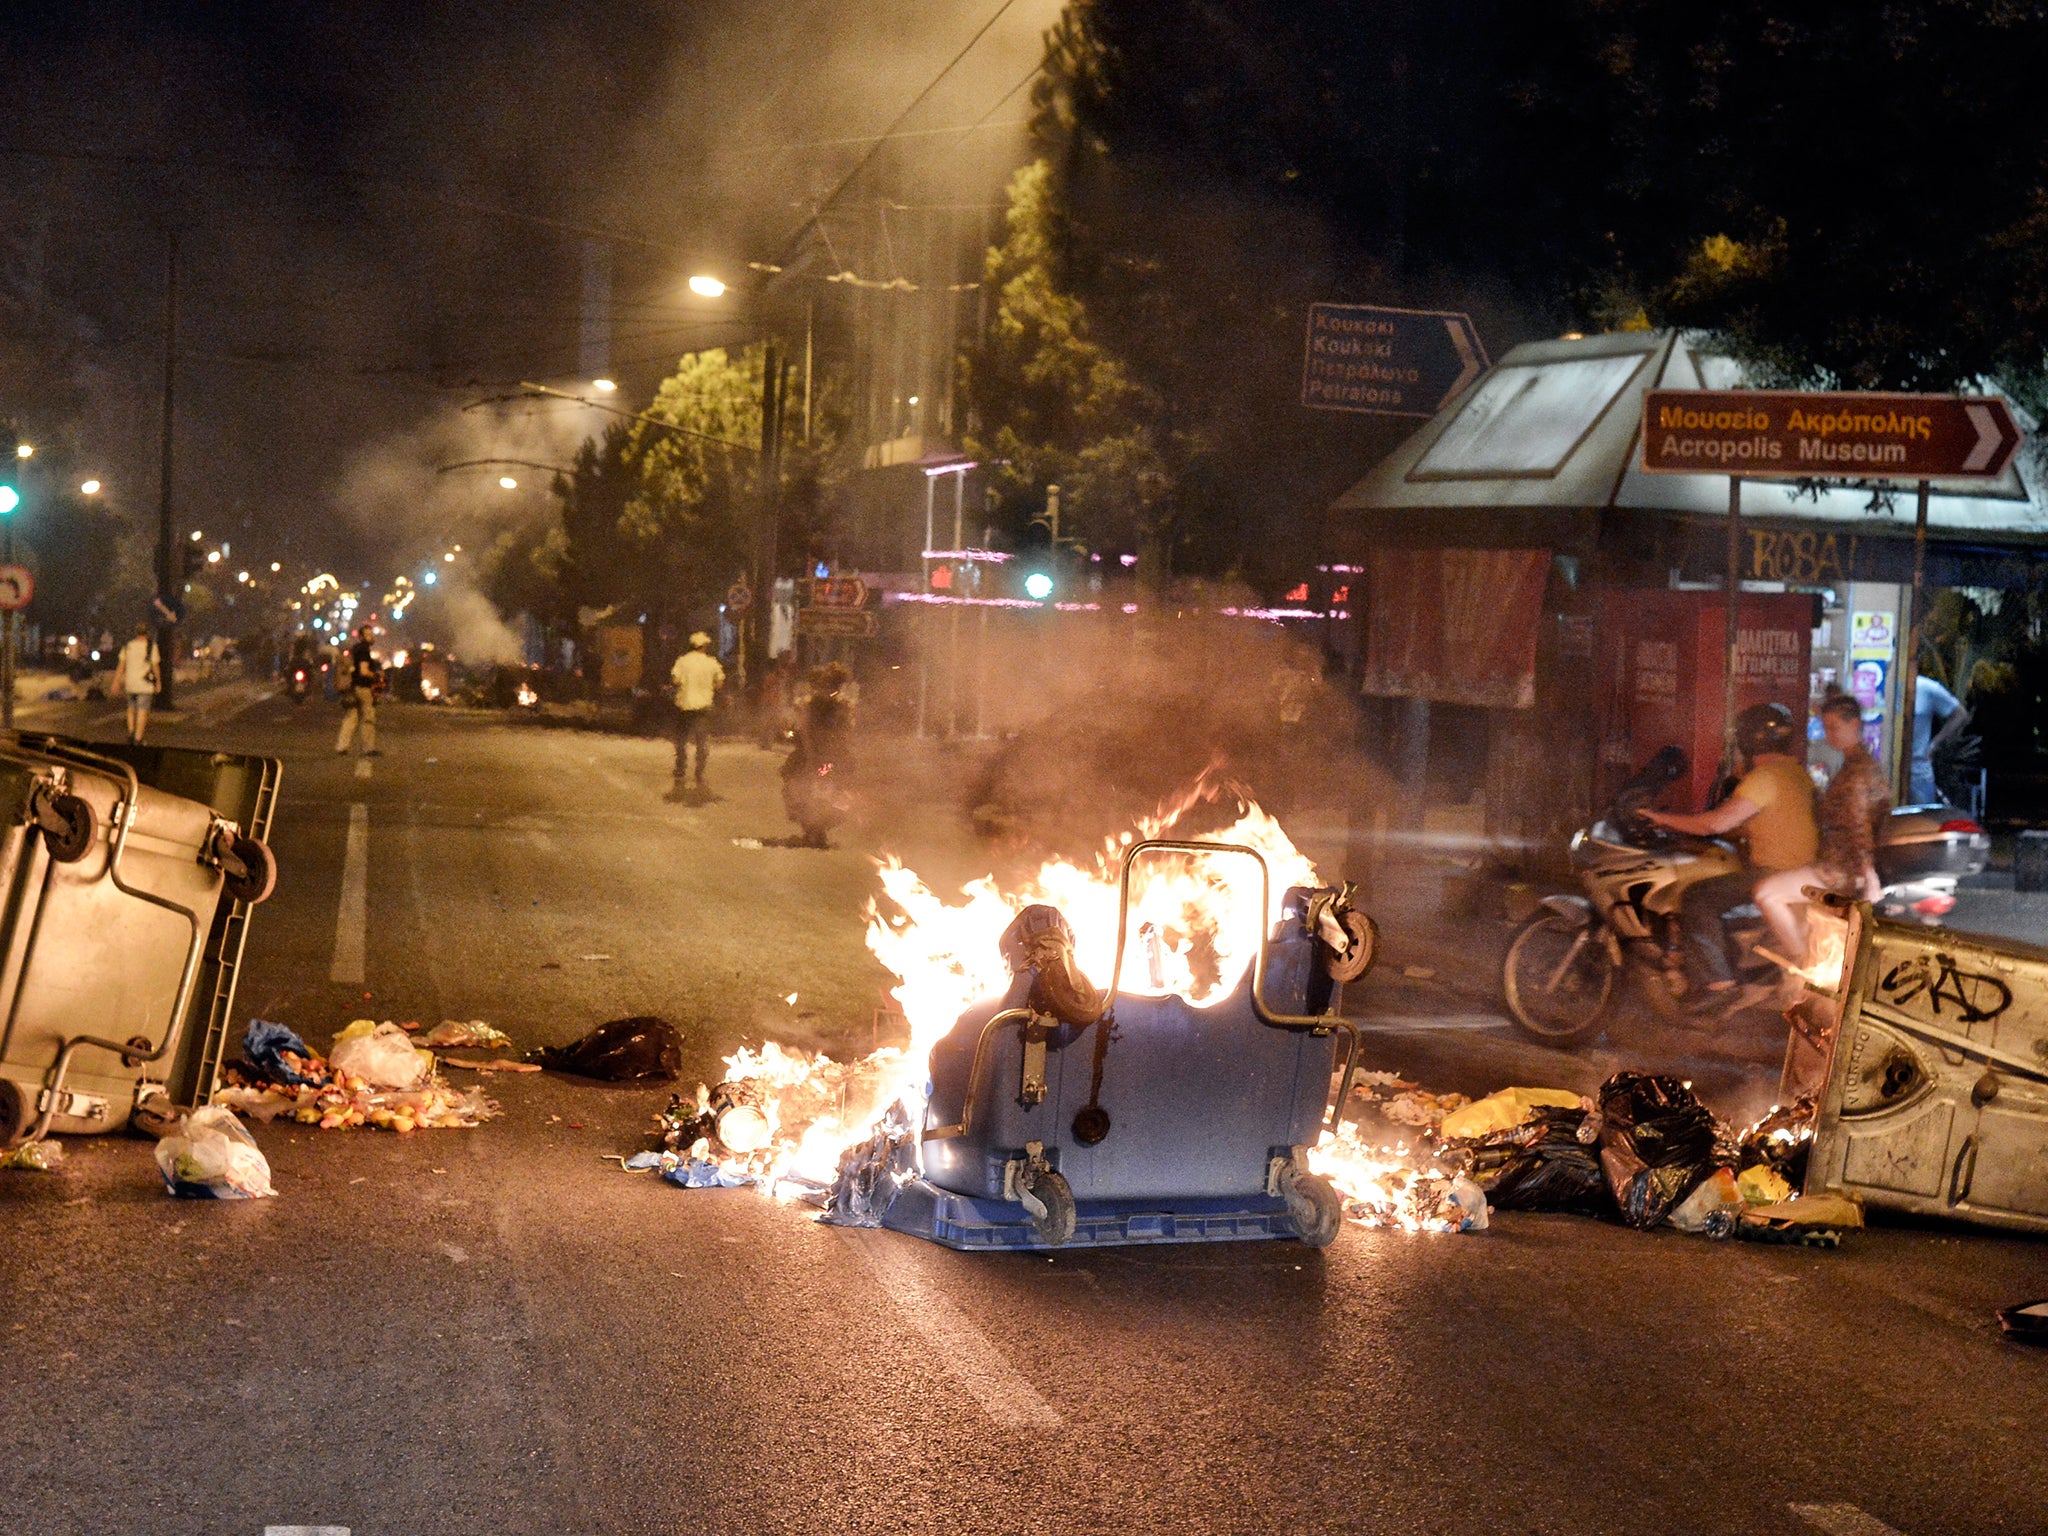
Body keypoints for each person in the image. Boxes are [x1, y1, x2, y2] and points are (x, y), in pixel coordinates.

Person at [1641, 702, 1818, 1014]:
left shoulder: (1764, 778)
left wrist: (1661, 819)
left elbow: (1714, 823)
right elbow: (1757, 824)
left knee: (1696, 897)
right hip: (1799, 873)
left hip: (1774, 874)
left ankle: (1717, 982)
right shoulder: (1796, 774)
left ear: (1748, 741)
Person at [1754, 693, 1889, 976]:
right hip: (1839, 862)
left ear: (1855, 724)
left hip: (1840, 869)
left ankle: (1804, 965)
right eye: (1826, 728)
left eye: (1835, 727)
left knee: (1767, 894)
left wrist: (1868, 873)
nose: (1830, 735)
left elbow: (1859, 823)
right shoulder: (1857, 765)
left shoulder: (1858, 772)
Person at [669, 631, 724, 795]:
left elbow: (675, 680)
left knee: (681, 740)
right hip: (704, 706)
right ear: (705, 646)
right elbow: (719, 683)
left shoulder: (682, 661)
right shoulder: (712, 662)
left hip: (685, 705)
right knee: (702, 741)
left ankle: (680, 768)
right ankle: (699, 772)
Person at [1909, 674, 1969, 805]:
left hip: (1918, 768)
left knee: (1923, 821)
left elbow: (1960, 715)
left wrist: (1934, 745)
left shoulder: (1927, 688)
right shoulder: (1882, 684)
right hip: (1884, 765)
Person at [334, 626, 383, 756]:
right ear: (361, 637)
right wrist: (377, 676)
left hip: (352, 687)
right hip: (363, 688)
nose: (370, 637)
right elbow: (363, 671)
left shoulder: (355, 649)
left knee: (351, 717)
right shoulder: (364, 651)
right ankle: (368, 748)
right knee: (368, 718)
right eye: (367, 635)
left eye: (371, 634)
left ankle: (341, 747)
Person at [116, 622, 160, 743]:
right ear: (147, 633)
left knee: (131, 708)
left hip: (130, 683)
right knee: (142, 711)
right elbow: (155, 666)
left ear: (136, 633)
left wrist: (117, 681)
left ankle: (131, 732)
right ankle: (138, 738)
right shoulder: (151, 646)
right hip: (144, 685)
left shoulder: (128, 646)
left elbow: (121, 665)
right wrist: (158, 683)